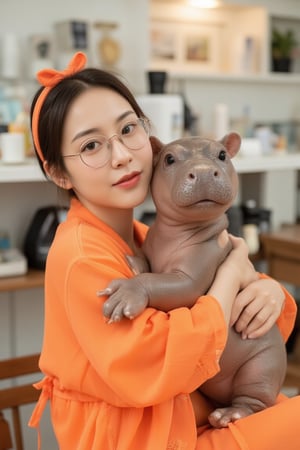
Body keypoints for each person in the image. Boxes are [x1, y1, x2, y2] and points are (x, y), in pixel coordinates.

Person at [28, 52, 300, 450]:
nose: (121, 155)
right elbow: (156, 362)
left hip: (188, 417)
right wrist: (230, 275)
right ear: (58, 172)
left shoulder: (142, 234)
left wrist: (270, 292)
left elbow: (240, 310)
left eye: (127, 129)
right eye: (91, 145)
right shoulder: (82, 254)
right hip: (140, 436)